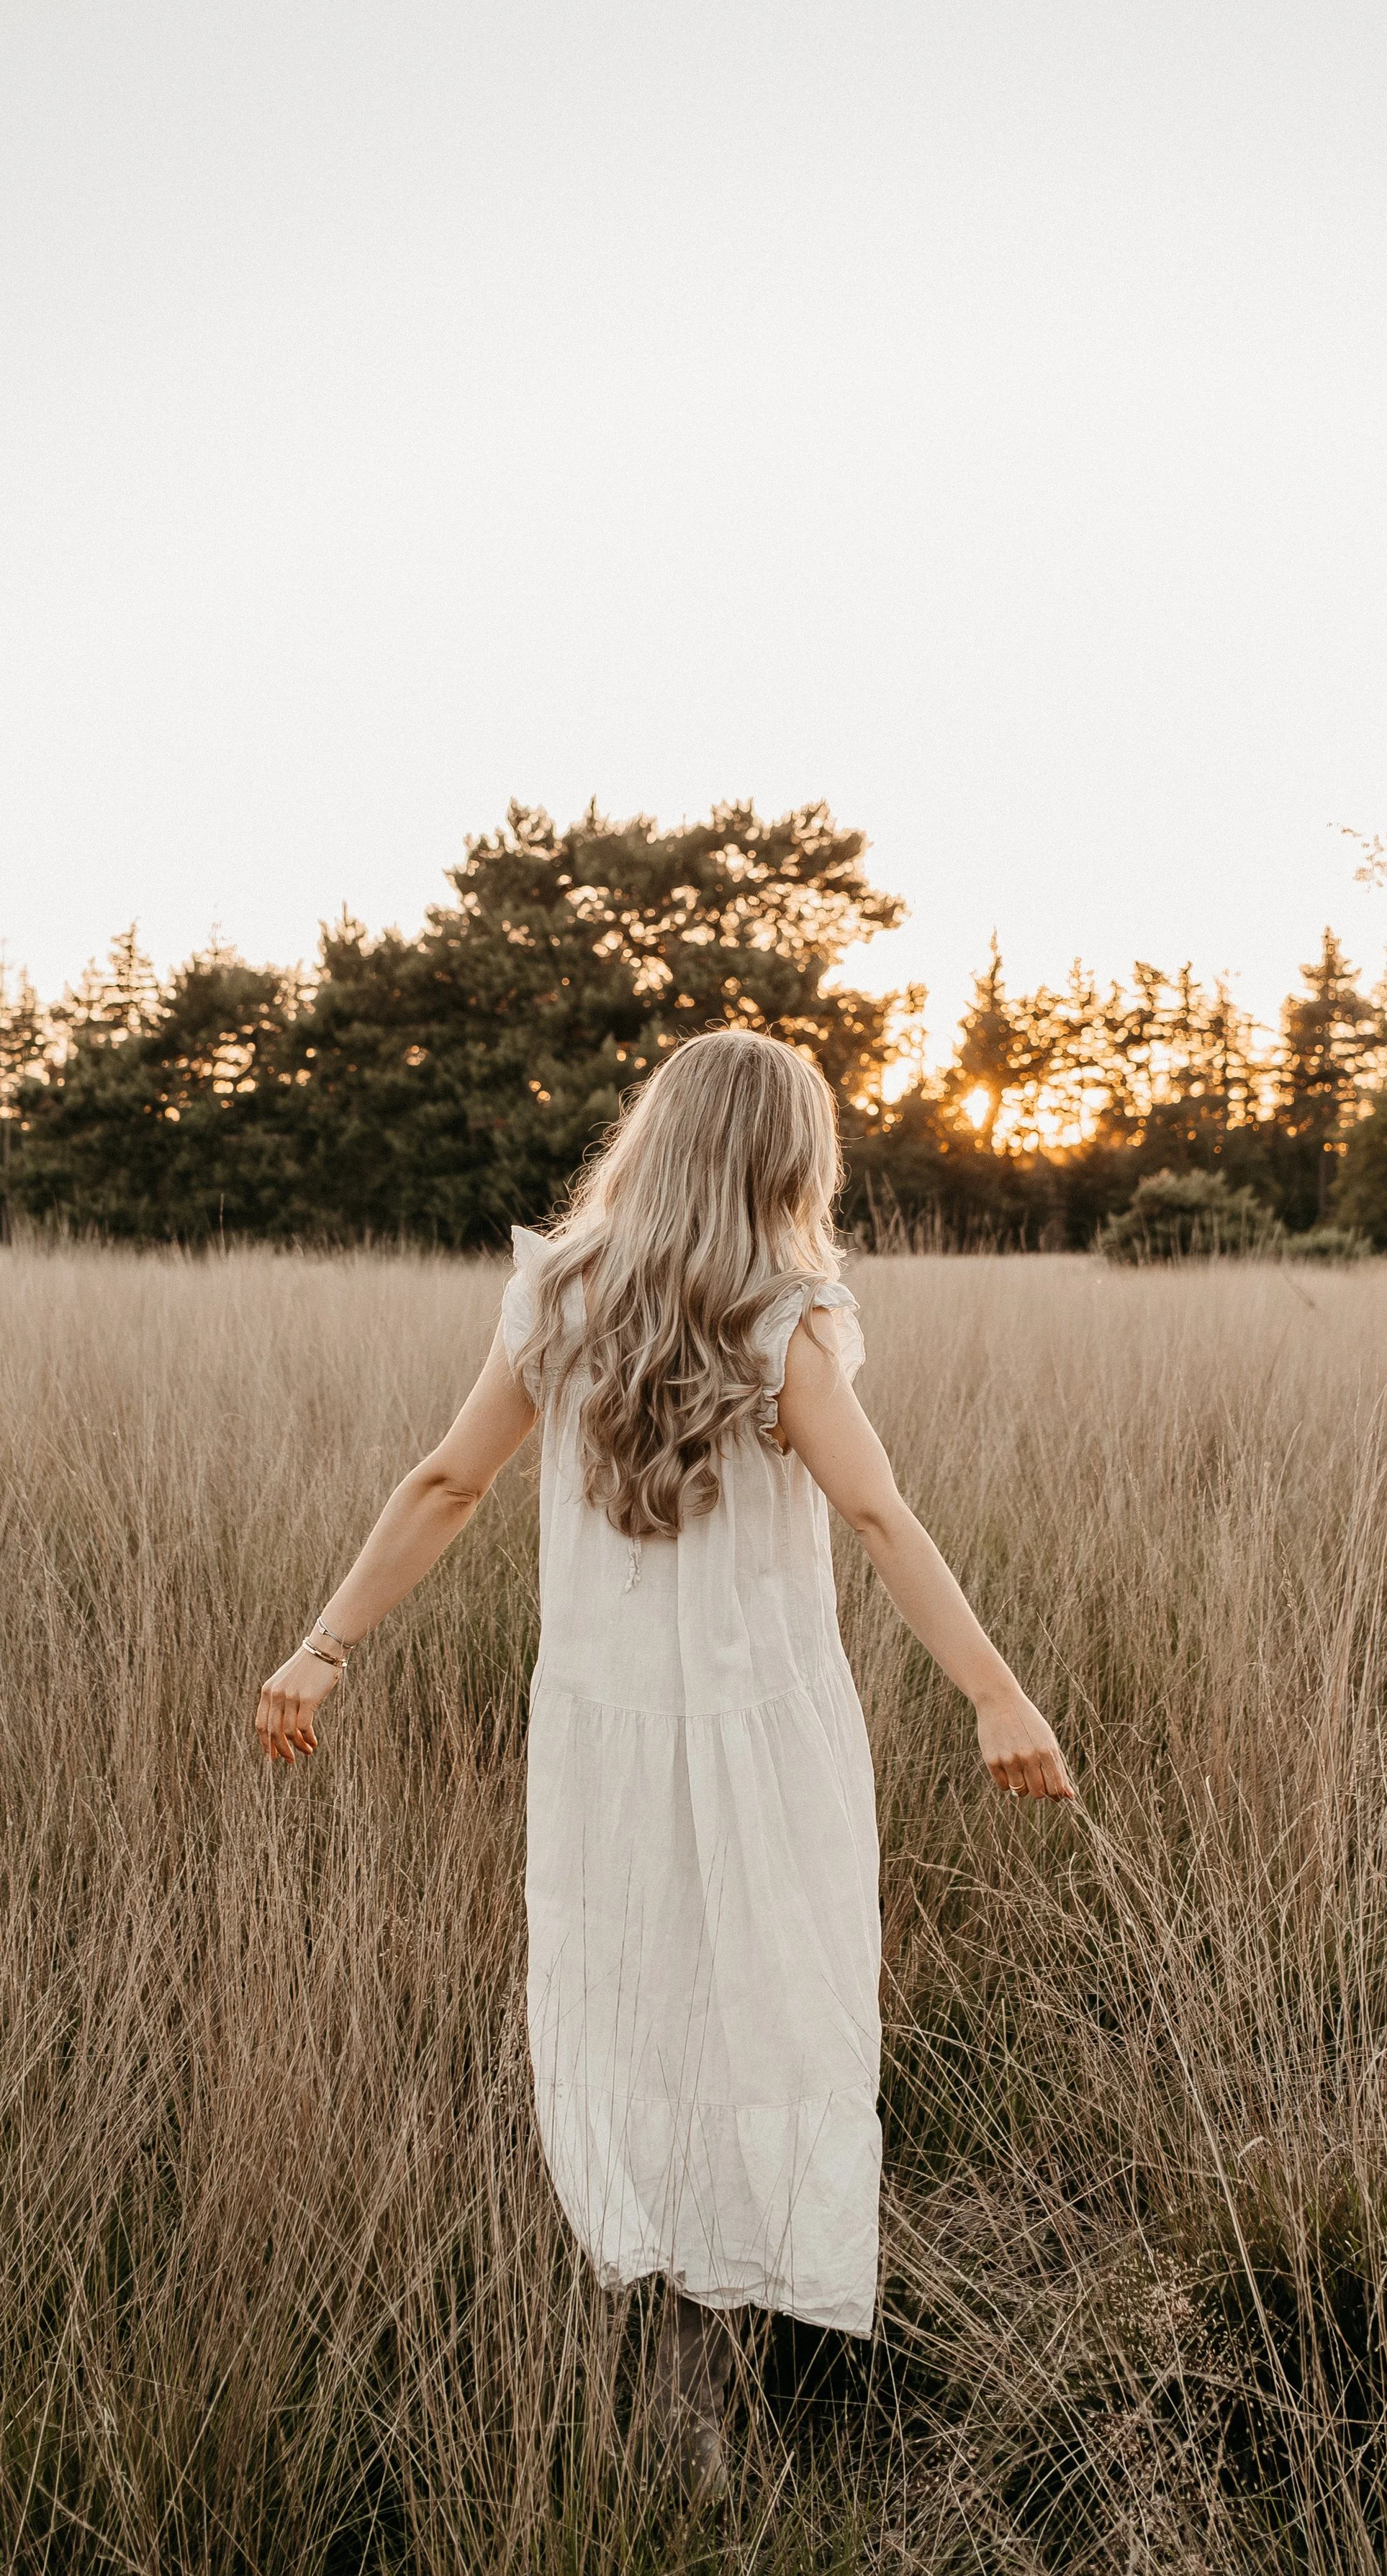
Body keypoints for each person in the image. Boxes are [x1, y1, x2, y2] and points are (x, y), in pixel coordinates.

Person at [254, 1028, 1073, 2497]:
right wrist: (996, 1697)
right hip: (764, 1729)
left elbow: (448, 1481)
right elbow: (880, 1519)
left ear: (656, 1135)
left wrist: (326, 1643)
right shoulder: (784, 1318)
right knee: (774, 1997)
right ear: (783, 1159)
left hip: (601, 1728)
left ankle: (667, 2309)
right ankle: (744, 2327)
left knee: (629, 1995)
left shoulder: (557, 1296)